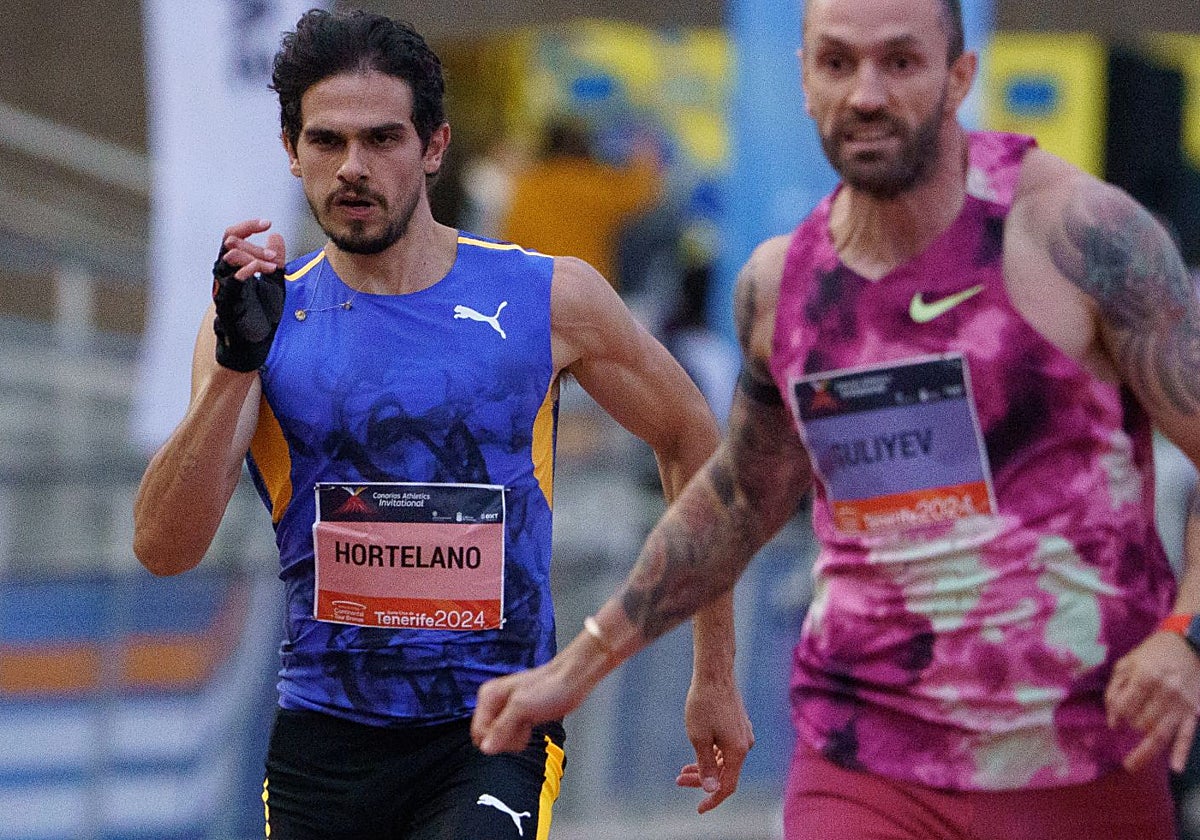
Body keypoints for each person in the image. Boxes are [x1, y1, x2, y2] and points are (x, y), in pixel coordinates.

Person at [471, 1, 1200, 838]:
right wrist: (579, 664)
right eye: (838, 63)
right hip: (862, 751)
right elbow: (741, 498)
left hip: (1078, 754)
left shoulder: (1081, 238)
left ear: (960, 77)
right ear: (805, 81)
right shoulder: (783, 285)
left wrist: (1187, 633)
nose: (865, 94)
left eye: (900, 62)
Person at [131, 9, 751, 839]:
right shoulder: (258, 323)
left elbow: (692, 438)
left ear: (433, 147)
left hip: (496, 727)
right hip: (325, 741)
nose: (353, 167)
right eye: (327, 141)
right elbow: (163, 549)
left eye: (383, 139)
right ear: (292, 150)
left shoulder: (548, 298)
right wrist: (233, 373)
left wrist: (713, 670)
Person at [499, 116, 662, 287]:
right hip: (585, 285)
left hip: (532, 280)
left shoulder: (528, 184)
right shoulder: (595, 185)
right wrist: (645, 150)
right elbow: (643, 192)